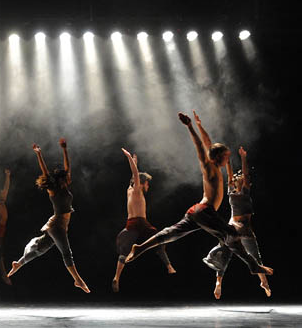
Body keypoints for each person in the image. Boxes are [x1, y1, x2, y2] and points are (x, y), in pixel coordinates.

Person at [125, 111, 273, 280]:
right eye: (226, 156)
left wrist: (200, 126)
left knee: (171, 233)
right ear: (219, 156)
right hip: (204, 211)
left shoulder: (216, 168)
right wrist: (190, 127)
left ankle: (140, 248)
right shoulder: (209, 168)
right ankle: (253, 265)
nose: (228, 160)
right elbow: (200, 147)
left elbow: (208, 143)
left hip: (199, 213)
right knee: (231, 234)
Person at [7, 138, 90, 293]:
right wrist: (39, 154)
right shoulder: (53, 189)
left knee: (41, 249)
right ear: (60, 181)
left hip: (58, 226)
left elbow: (68, 167)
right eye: (65, 178)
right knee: (67, 252)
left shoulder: (65, 186)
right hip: (57, 225)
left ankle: (18, 263)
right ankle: (78, 280)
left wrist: (65, 150)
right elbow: (45, 171)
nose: (68, 179)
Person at [202, 146, 271, 299]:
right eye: (240, 180)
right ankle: (221, 282)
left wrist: (236, 160)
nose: (245, 182)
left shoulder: (237, 192)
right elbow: (237, 175)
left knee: (242, 254)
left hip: (238, 228)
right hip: (239, 228)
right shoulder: (238, 192)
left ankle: (261, 282)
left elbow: (238, 175)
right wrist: (238, 159)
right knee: (240, 254)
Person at [112, 148, 176, 292]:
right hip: (141, 223)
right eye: (147, 183)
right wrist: (129, 158)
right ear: (141, 183)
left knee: (124, 252)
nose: (148, 186)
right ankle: (169, 266)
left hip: (130, 224)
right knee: (160, 239)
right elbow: (135, 174)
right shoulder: (137, 190)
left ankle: (117, 277)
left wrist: (135, 162)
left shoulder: (130, 189)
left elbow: (133, 177)